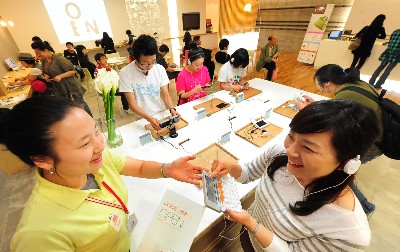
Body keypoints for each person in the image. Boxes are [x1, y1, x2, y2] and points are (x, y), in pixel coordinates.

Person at [0, 96, 204, 251]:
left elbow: (139, 167)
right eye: (85, 143)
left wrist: (167, 169)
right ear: (43, 160)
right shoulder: (38, 234)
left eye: (96, 131)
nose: (100, 145)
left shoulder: (95, 161)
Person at [211, 99, 379, 251]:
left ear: (347, 163)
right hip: (248, 236)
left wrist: (252, 224)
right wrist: (230, 167)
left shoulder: (349, 230)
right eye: (291, 136)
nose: (290, 151)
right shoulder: (279, 153)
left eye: (307, 148)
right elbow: (248, 172)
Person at [296, 64, 383, 216]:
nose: (318, 87)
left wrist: (305, 110)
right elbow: (337, 111)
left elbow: (330, 124)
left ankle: (365, 207)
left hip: (371, 143)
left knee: (338, 173)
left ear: (327, 83)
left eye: (318, 83)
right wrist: (316, 104)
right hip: (374, 136)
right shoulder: (353, 85)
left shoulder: (346, 95)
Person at [119, 35, 179, 130]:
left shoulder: (159, 68)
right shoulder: (125, 73)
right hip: (142, 118)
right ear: (136, 59)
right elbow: (132, 104)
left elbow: (165, 95)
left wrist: (172, 109)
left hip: (161, 112)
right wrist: (149, 118)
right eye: (145, 63)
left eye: (153, 61)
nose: (150, 66)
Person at [31, 41, 92, 117]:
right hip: (60, 87)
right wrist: (46, 76)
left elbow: (73, 71)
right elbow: (45, 72)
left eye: (39, 53)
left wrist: (60, 76)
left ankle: (89, 119)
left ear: (46, 50)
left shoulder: (59, 58)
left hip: (71, 85)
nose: (37, 56)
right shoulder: (44, 60)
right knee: (68, 107)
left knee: (80, 104)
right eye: (36, 53)